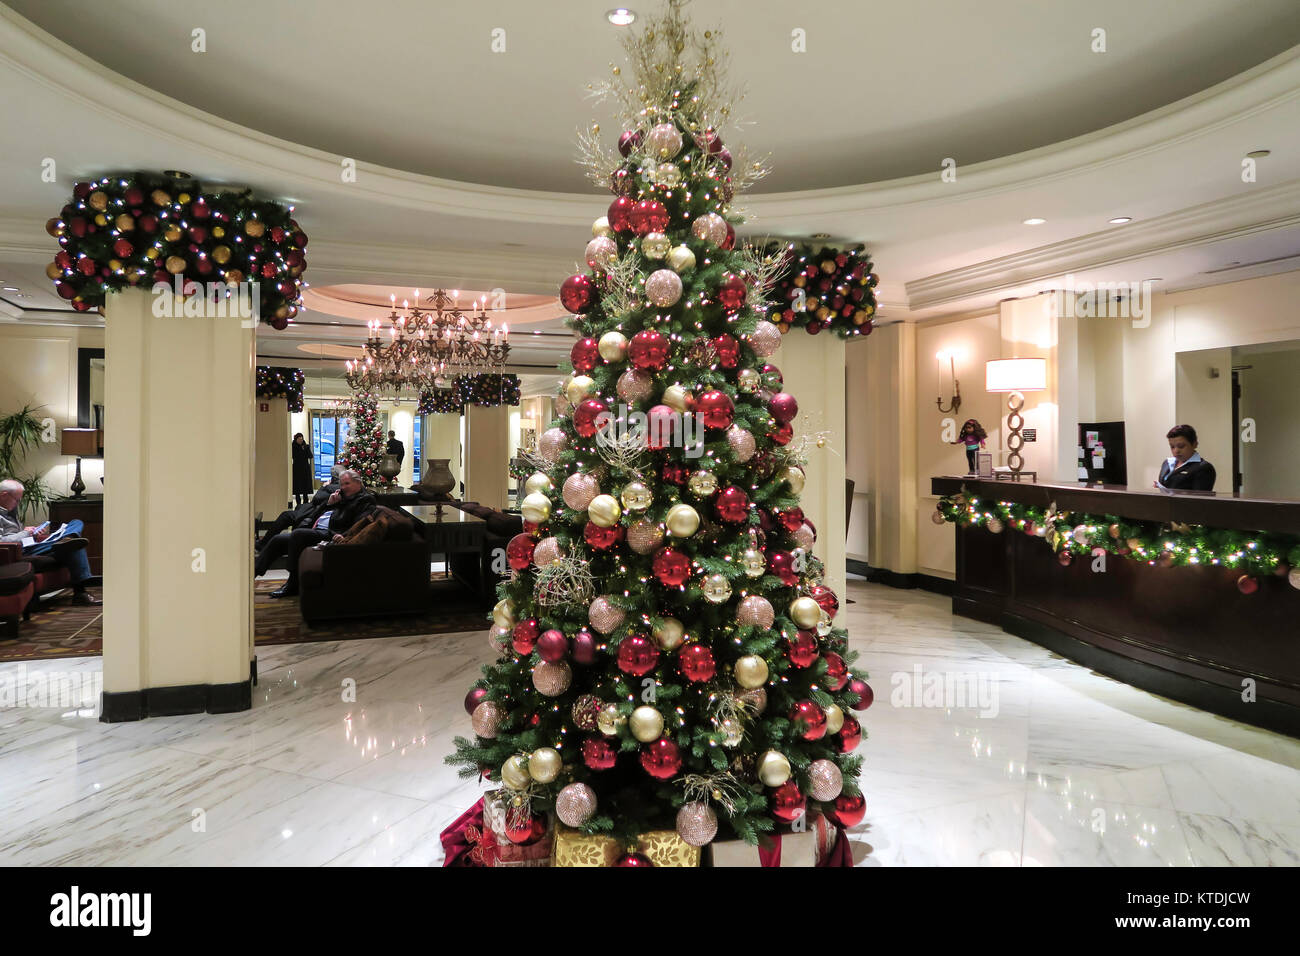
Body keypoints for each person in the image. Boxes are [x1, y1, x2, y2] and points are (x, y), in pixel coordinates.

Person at [255, 469, 375, 598]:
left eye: (347, 484)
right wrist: (328, 504)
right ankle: (251, 575)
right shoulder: (341, 497)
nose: (343, 487)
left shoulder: (365, 500)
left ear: (358, 483)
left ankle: (293, 582)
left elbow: (359, 524)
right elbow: (315, 513)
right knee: (278, 540)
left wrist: (344, 535)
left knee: (298, 534)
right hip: (317, 530)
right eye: (342, 484)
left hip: (331, 535)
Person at [0, 479, 100, 605]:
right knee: (73, 546)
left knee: (76, 522)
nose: (18, 503)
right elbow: (2, 541)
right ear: (4, 495)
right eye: (17, 499)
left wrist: (34, 533)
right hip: (19, 550)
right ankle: (80, 593)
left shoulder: (10, 512)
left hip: (30, 544)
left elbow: (18, 535)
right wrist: (26, 533)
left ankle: (68, 538)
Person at [257, 464, 343, 549]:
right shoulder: (336, 486)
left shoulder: (334, 487)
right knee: (288, 515)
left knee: (286, 516)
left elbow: (316, 498)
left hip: (313, 514)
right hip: (314, 512)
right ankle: (265, 542)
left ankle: (264, 543)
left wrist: (324, 487)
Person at [1155, 424, 1216, 491]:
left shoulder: (1203, 468)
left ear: (1194, 444)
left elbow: (1200, 499)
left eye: (1181, 446)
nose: (1176, 451)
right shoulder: (1167, 463)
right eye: (1172, 447)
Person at [291, 433, 314, 506]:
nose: (301, 440)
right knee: (297, 485)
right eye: (299, 439)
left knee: (305, 484)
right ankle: (298, 501)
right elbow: (293, 456)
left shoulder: (306, 446)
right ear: (296, 439)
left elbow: (310, 456)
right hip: (297, 468)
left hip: (305, 468)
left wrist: (305, 449)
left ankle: (306, 500)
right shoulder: (293, 446)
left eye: (302, 439)